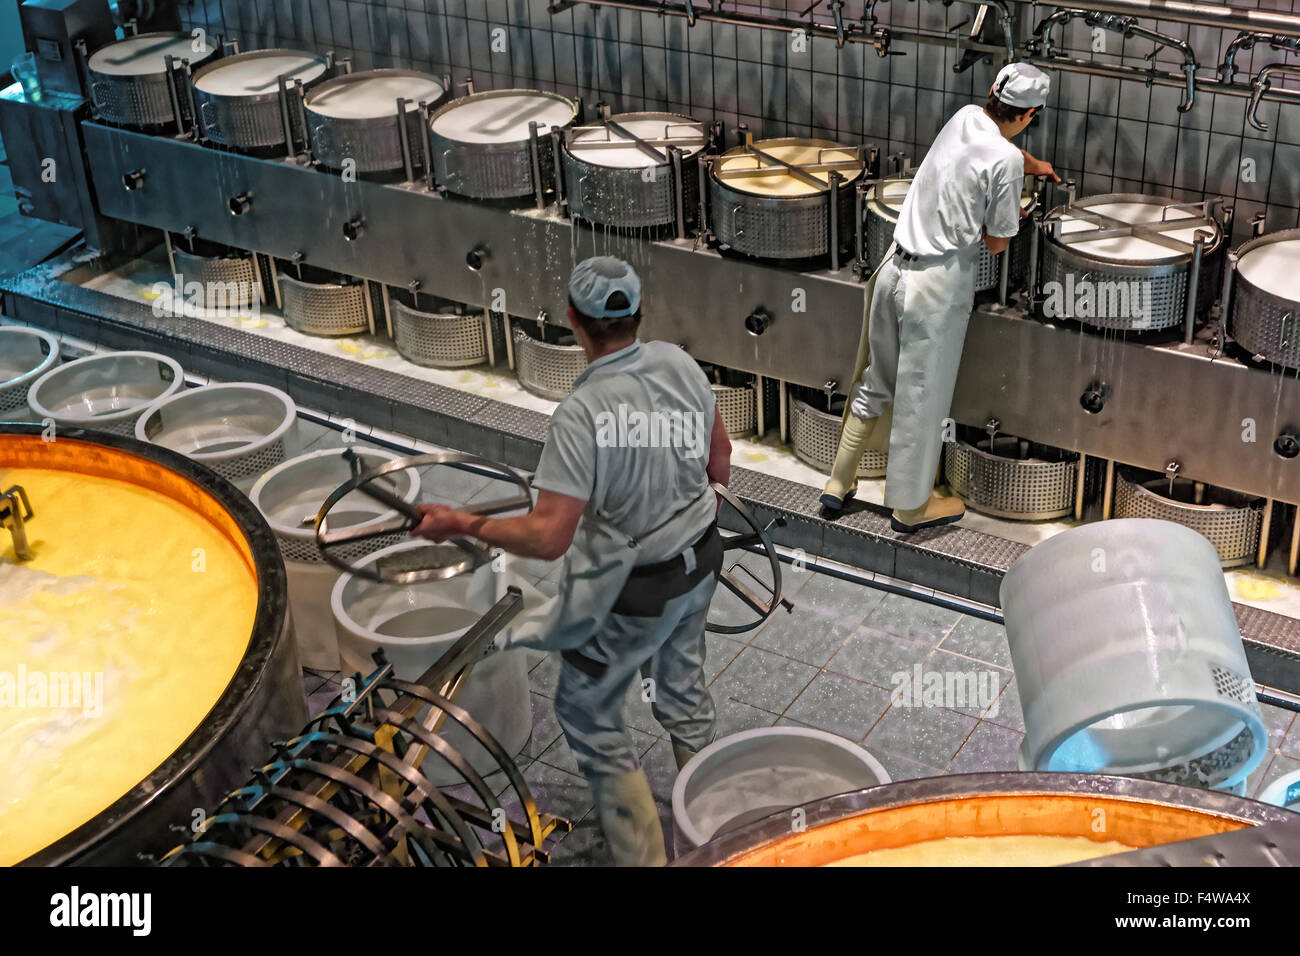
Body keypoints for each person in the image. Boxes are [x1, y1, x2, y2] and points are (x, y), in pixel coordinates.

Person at [410, 256, 732, 866]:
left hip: (635, 593)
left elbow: (550, 536)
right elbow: (719, 463)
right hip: (702, 562)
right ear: (639, 315)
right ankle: (712, 826)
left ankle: (645, 859)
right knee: (681, 685)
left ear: (571, 322)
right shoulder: (680, 363)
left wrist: (463, 522)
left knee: (586, 708)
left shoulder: (582, 416)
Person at [820, 62, 1059, 531]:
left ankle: (838, 481)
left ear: (992, 92)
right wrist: (1020, 206)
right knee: (921, 398)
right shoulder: (1005, 161)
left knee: (876, 378)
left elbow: (994, 149)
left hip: (893, 268)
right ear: (1031, 114)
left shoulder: (964, 116)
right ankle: (910, 509)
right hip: (934, 287)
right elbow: (995, 241)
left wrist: (1032, 165)